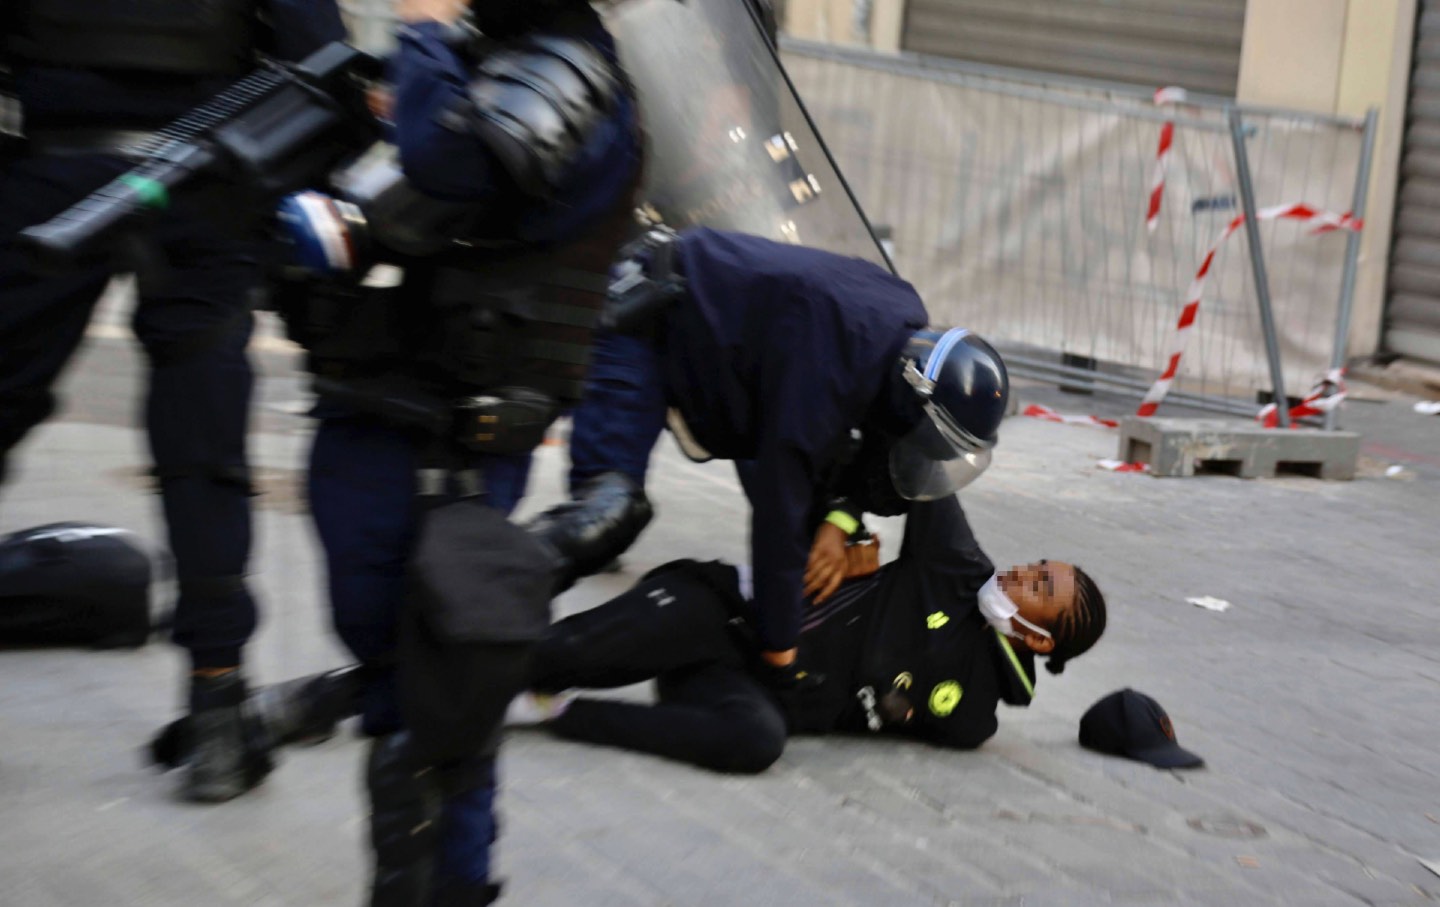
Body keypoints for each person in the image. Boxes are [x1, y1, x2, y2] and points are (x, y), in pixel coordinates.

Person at [287, 0, 643, 902]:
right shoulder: (509, 56)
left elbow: (453, 160)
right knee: (428, 673)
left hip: (435, 434)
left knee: (430, 685)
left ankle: (446, 880)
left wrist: (424, 34)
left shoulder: (569, 71)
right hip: (398, 407)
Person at [0, 0, 347, 802]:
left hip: (54, 172)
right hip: (205, 189)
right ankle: (219, 708)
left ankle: (221, 705)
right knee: (205, 455)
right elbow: (318, 59)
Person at [529, 225, 1011, 694]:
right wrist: (780, 651)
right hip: (645, 319)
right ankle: (480, 618)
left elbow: (867, 444)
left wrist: (838, 523)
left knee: (802, 524)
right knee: (606, 514)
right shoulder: (824, 376)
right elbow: (779, 512)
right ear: (917, 400)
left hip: (712, 339)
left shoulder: (898, 327)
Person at [517, 493, 1107, 772]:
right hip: (724, 612)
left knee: (756, 743)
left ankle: (563, 715)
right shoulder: (956, 566)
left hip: (743, 688)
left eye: (1040, 586)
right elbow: (924, 471)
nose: (1023, 571)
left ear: (1040, 640)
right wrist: (842, 524)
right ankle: (455, 672)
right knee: (559, 652)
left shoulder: (971, 718)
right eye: (1038, 565)